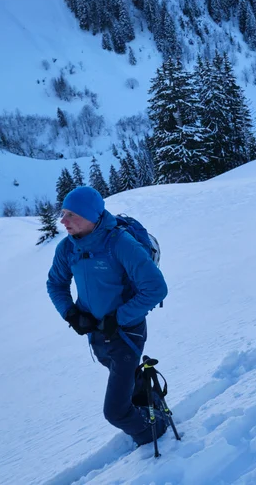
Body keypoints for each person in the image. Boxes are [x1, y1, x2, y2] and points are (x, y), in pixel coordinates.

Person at [46, 186, 169, 447]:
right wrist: (70, 313)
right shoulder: (68, 249)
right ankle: (151, 400)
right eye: (63, 213)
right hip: (96, 334)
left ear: (91, 216)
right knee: (122, 375)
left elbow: (156, 288)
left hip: (126, 333)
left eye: (71, 214)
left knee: (115, 411)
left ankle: (155, 429)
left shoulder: (120, 244)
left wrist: (118, 318)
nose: (63, 220)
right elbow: (55, 284)